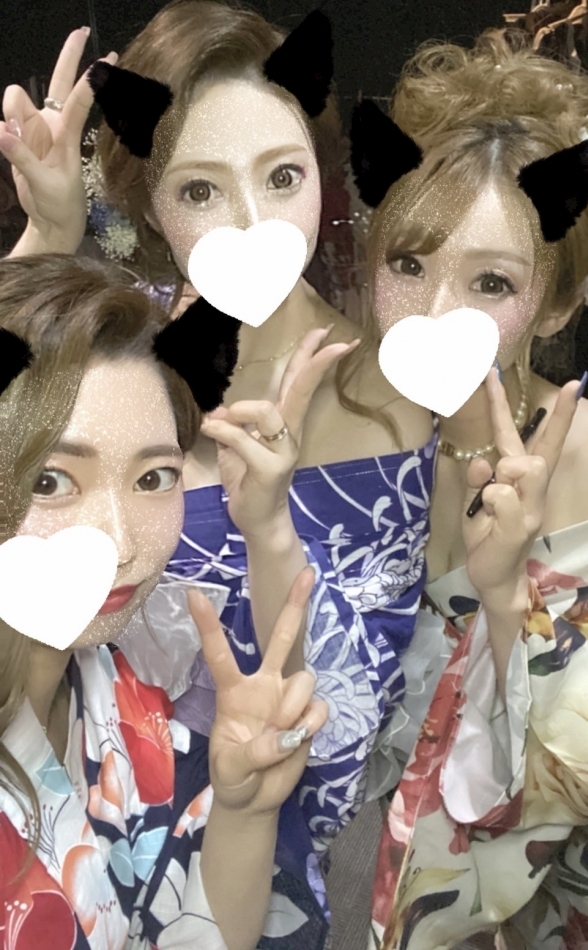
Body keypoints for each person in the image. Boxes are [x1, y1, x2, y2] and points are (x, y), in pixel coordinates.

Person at [0, 5, 436, 936]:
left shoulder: (397, 391)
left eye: (282, 176)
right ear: (148, 206)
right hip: (79, 805)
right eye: (200, 188)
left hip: (265, 855)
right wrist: (49, 236)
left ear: (321, 170)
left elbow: (355, 721)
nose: (252, 222)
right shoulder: (123, 372)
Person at [360, 30, 588, 950]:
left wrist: (506, 602)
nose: (437, 310)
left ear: (558, 304)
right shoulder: (355, 456)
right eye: (409, 263)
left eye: (491, 281)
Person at [0, 253, 336, 950]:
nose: (120, 544)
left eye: (153, 477)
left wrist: (245, 813)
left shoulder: (113, 687)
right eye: (51, 482)